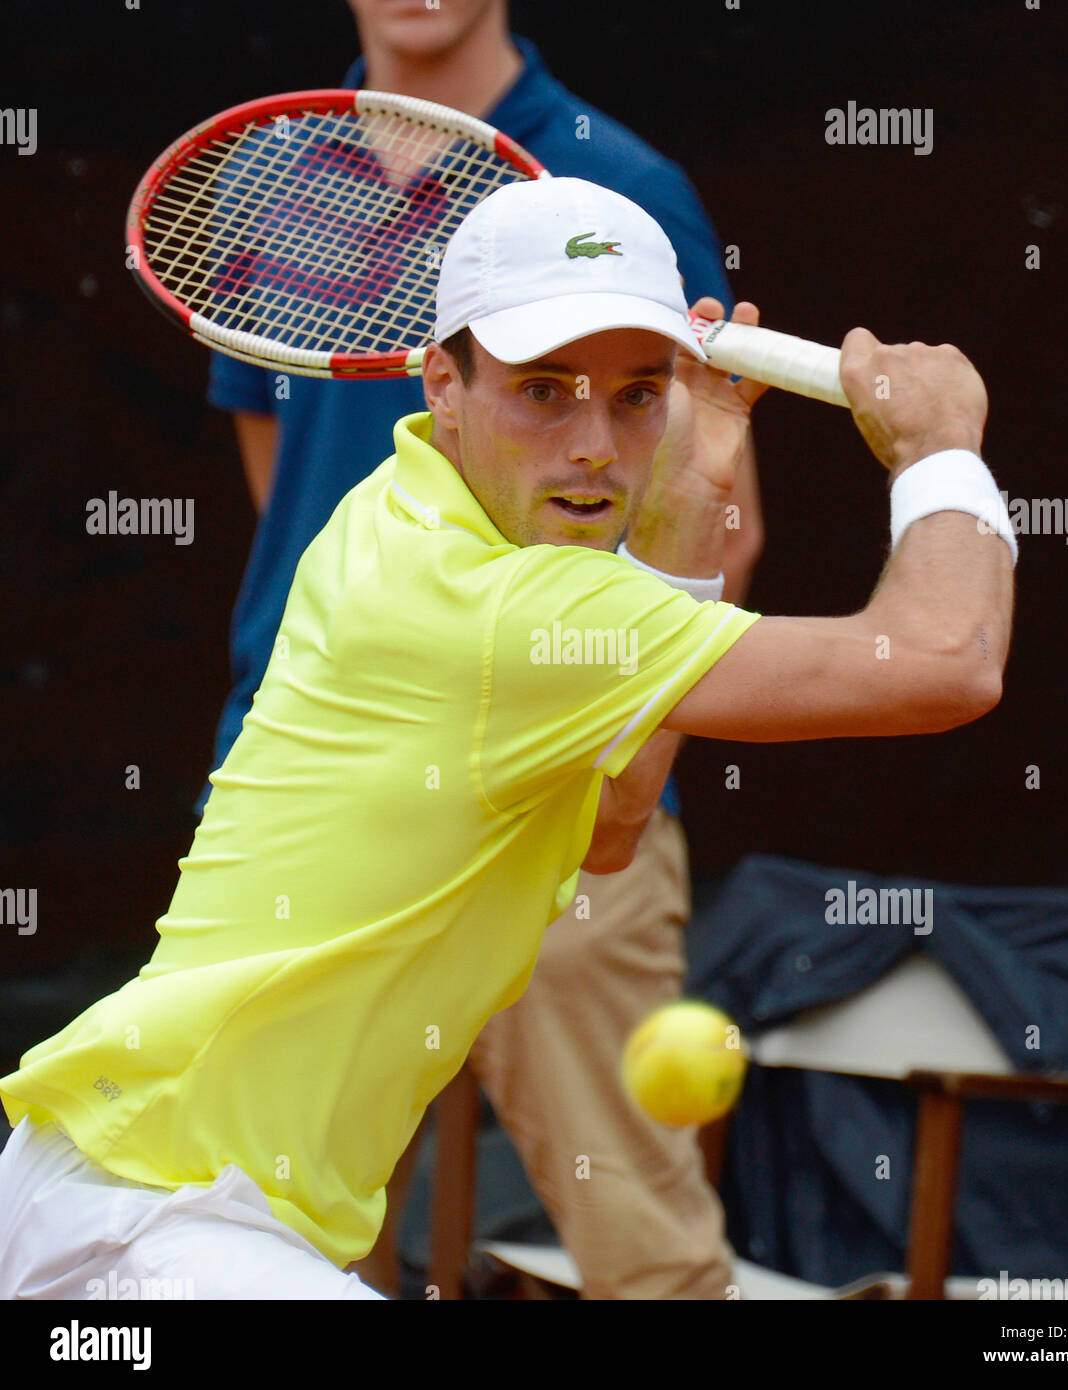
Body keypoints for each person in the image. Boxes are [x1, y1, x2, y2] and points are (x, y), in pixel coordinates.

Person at [0, 175, 1015, 1300]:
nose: (593, 443)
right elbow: (943, 662)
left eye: (637, 396)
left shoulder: (400, 511)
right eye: (544, 389)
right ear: (446, 381)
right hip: (148, 1226)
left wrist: (688, 486)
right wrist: (940, 451)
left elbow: (612, 823)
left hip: (151, 1204)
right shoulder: (506, 615)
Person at [208, 0, 764, 1298]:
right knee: (263, 1251)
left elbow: (711, 511)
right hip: (321, 813)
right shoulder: (268, 176)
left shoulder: (621, 182)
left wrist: (616, 762)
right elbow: (282, 478)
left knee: (650, 1257)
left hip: (572, 816)